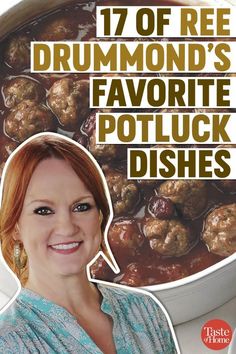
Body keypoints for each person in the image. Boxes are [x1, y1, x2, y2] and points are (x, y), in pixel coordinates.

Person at [0, 132, 179, 354]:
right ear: (15, 226)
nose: (66, 227)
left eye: (81, 207)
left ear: (101, 216)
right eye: (43, 211)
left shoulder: (145, 310)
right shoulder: (7, 342)